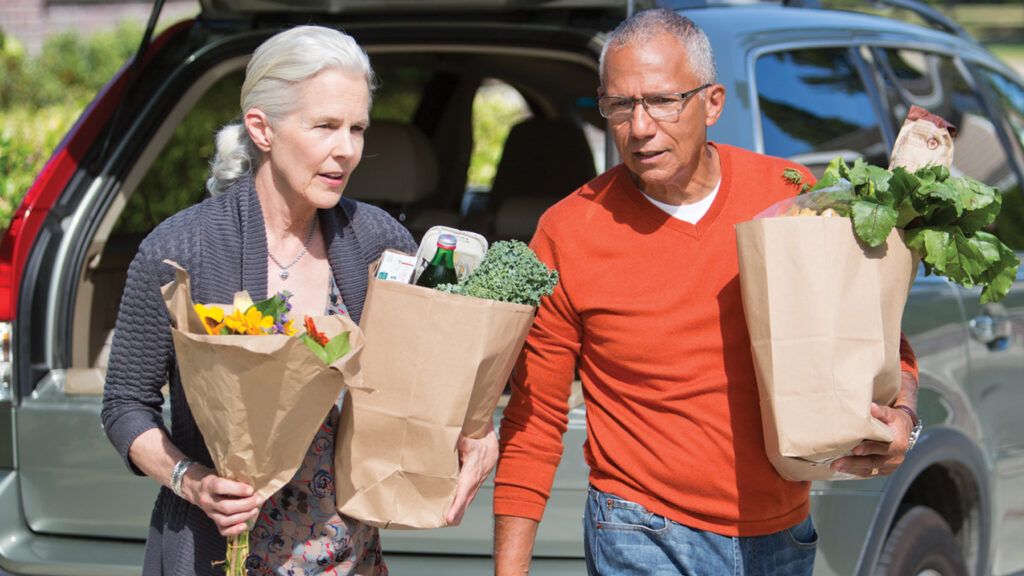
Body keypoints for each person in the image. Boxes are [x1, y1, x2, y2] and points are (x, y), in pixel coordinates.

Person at [492, 9, 920, 575]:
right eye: (620, 105)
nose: (640, 127)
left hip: (782, 530)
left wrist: (903, 420)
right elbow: (535, 418)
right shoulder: (569, 231)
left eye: (663, 101)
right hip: (639, 526)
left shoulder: (792, 195)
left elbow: (879, 340)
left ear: (712, 103)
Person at [101, 25, 497, 575]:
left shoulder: (379, 244)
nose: (348, 150)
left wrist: (479, 429)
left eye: (357, 128)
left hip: (349, 559)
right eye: (326, 126)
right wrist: (190, 481)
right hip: (217, 555)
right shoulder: (179, 250)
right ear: (262, 129)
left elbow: (428, 382)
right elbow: (125, 405)